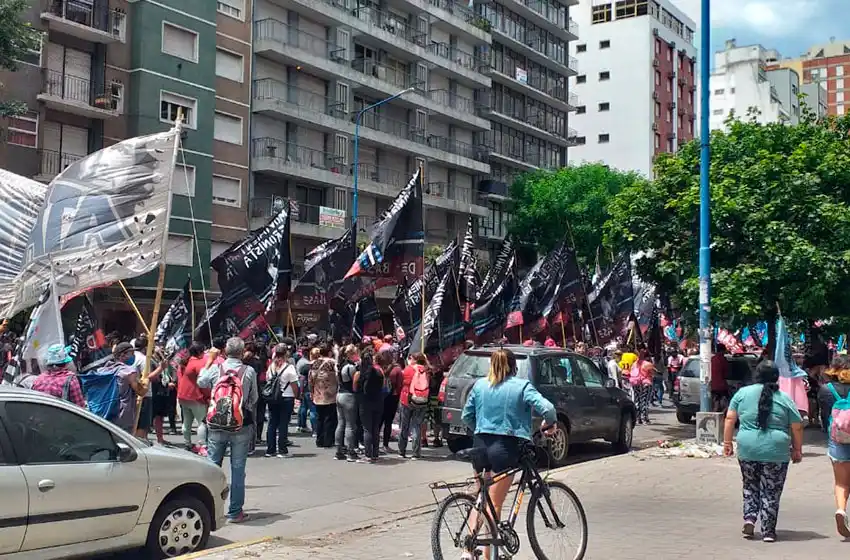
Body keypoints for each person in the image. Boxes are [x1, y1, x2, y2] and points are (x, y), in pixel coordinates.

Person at [461, 349, 556, 560]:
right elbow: (548, 409)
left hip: (480, 444)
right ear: (514, 366)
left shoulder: (480, 385)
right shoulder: (521, 386)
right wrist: (548, 424)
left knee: (480, 500)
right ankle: (489, 556)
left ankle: (467, 550)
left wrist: (481, 427)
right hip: (505, 447)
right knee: (494, 505)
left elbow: (466, 415)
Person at [723, 360, 803, 543]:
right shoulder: (784, 398)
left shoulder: (742, 394)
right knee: (771, 491)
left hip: (747, 447)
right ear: (776, 377)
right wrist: (797, 449)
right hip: (776, 450)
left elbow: (729, 418)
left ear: (756, 375)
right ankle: (768, 531)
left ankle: (750, 518)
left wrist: (727, 442)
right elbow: (797, 426)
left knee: (750, 485)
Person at [198, 337, 259, 523]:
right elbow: (253, 398)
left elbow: (201, 382)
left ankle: (209, 509)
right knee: (238, 469)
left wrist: (209, 360)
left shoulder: (217, 368)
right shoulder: (249, 371)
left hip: (216, 424)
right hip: (241, 425)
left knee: (212, 467)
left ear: (225, 351)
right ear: (242, 352)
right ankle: (235, 512)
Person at [817, 355, 850, 538]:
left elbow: (824, 415)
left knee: (841, 482)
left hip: (837, 438)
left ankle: (841, 510)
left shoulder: (826, 390)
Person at [264, 343, 299, 458]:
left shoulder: (271, 367)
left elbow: (267, 379)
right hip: (287, 397)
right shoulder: (289, 367)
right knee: (283, 424)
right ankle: (282, 450)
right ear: (286, 354)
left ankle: (270, 449)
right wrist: (297, 396)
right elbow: (294, 384)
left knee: (272, 423)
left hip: (272, 397)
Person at [354, 348, 384, 463]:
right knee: (376, 428)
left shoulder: (359, 374)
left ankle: (368, 455)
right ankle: (375, 454)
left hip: (365, 402)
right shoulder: (379, 372)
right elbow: (384, 386)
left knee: (367, 429)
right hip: (378, 401)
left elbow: (355, 388)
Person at [398, 353, 430, 459]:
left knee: (404, 426)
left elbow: (402, 382)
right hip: (421, 401)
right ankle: (416, 453)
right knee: (416, 426)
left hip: (407, 399)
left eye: (411, 358)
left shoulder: (408, 370)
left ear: (415, 360)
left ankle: (402, 450)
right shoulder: (426, 371)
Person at [111, 342, 149, 434]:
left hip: (110, 411)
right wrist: (145, 383)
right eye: (131, 353)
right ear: (123, 355)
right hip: (124, 414)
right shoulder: (129, 372)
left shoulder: (109, 368)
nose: (133, 356)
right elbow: (141, 392)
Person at [178, 342, 208, 451]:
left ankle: (187, 443)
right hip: (195, 396)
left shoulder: (186, 362)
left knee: (187, 420)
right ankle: (203, 445)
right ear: (200, 352)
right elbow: (204, 381)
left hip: (183, 396)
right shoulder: (199, 364)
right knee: (201, 422)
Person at [310, 343, 339, 448]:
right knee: (330, 418)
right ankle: (328, 440)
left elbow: (310, 379)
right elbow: (337, 376)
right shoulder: (332, 363)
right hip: (330, 393)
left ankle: (319, 439)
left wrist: (311, 391)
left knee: (320, 417)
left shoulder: (314, 363)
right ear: (330, 352)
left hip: (317, 393)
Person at [335, 344, 359, 461]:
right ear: (351, 354)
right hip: (349, 395)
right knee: (350, 425)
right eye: (356, 353)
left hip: (339, 394)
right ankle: (351, 451)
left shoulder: (340, 365)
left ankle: (339, 450)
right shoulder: (351, 367)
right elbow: (355, 383)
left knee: (341, 423)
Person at [381, 354, 404, 453]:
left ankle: (374, 444)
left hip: (381, 397)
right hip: (393, 397)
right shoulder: (397, 369)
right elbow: (400, 385)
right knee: (388, 422)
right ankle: (385, 444)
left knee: (379, 421)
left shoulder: (381, 368)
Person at [629, 346, 654, 424]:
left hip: (635, 383)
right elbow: (652, 374)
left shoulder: (634, 364)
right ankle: (645, 418)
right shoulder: (648, 364)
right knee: (645, 401)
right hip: (646, 383)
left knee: (637, 400)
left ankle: (638, 418)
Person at [297, 345, 316, 434]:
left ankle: (301, 425)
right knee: (313, 410)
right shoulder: (315, 366)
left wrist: (300, 391)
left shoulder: (304, 366)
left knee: (304, 408)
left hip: (305, 390)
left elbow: (301, 380)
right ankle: (315, 429)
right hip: (314, 390)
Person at [711, 343, 731, 413]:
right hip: (722, 386)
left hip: (712, 386)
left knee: (715, 403)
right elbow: (726, 373)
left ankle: (715, 415)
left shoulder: (712, 359)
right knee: (726, 403)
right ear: (722, 351)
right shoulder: (723, 360)